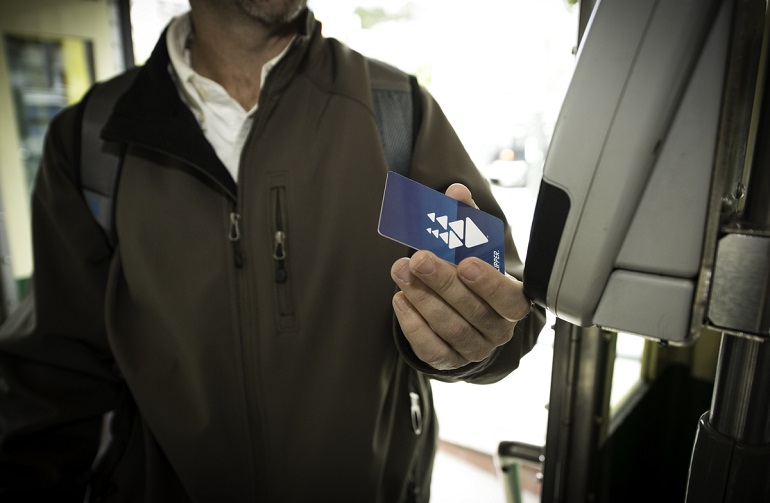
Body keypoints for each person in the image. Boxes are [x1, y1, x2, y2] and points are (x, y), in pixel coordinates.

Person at [0, 0, 544, 501]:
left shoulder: (394, 116)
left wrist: (471, 337)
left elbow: (506, 303)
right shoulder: (93, 143)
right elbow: (54, 384)